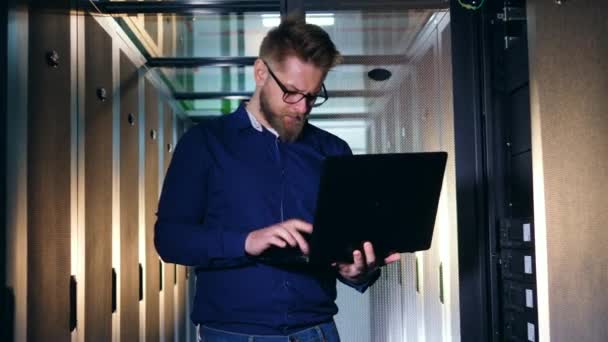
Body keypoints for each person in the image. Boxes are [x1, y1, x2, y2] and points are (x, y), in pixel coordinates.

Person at [154, 15, 400, 342]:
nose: (301, 108)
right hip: (231, 334)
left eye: (312, 96)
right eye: (292, 92)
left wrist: (355, 271)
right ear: (260, 73)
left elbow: (345, 246)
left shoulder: (333, 150)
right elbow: (170, 239)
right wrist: (247, 241)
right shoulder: (204, 144)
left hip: (318, 332)